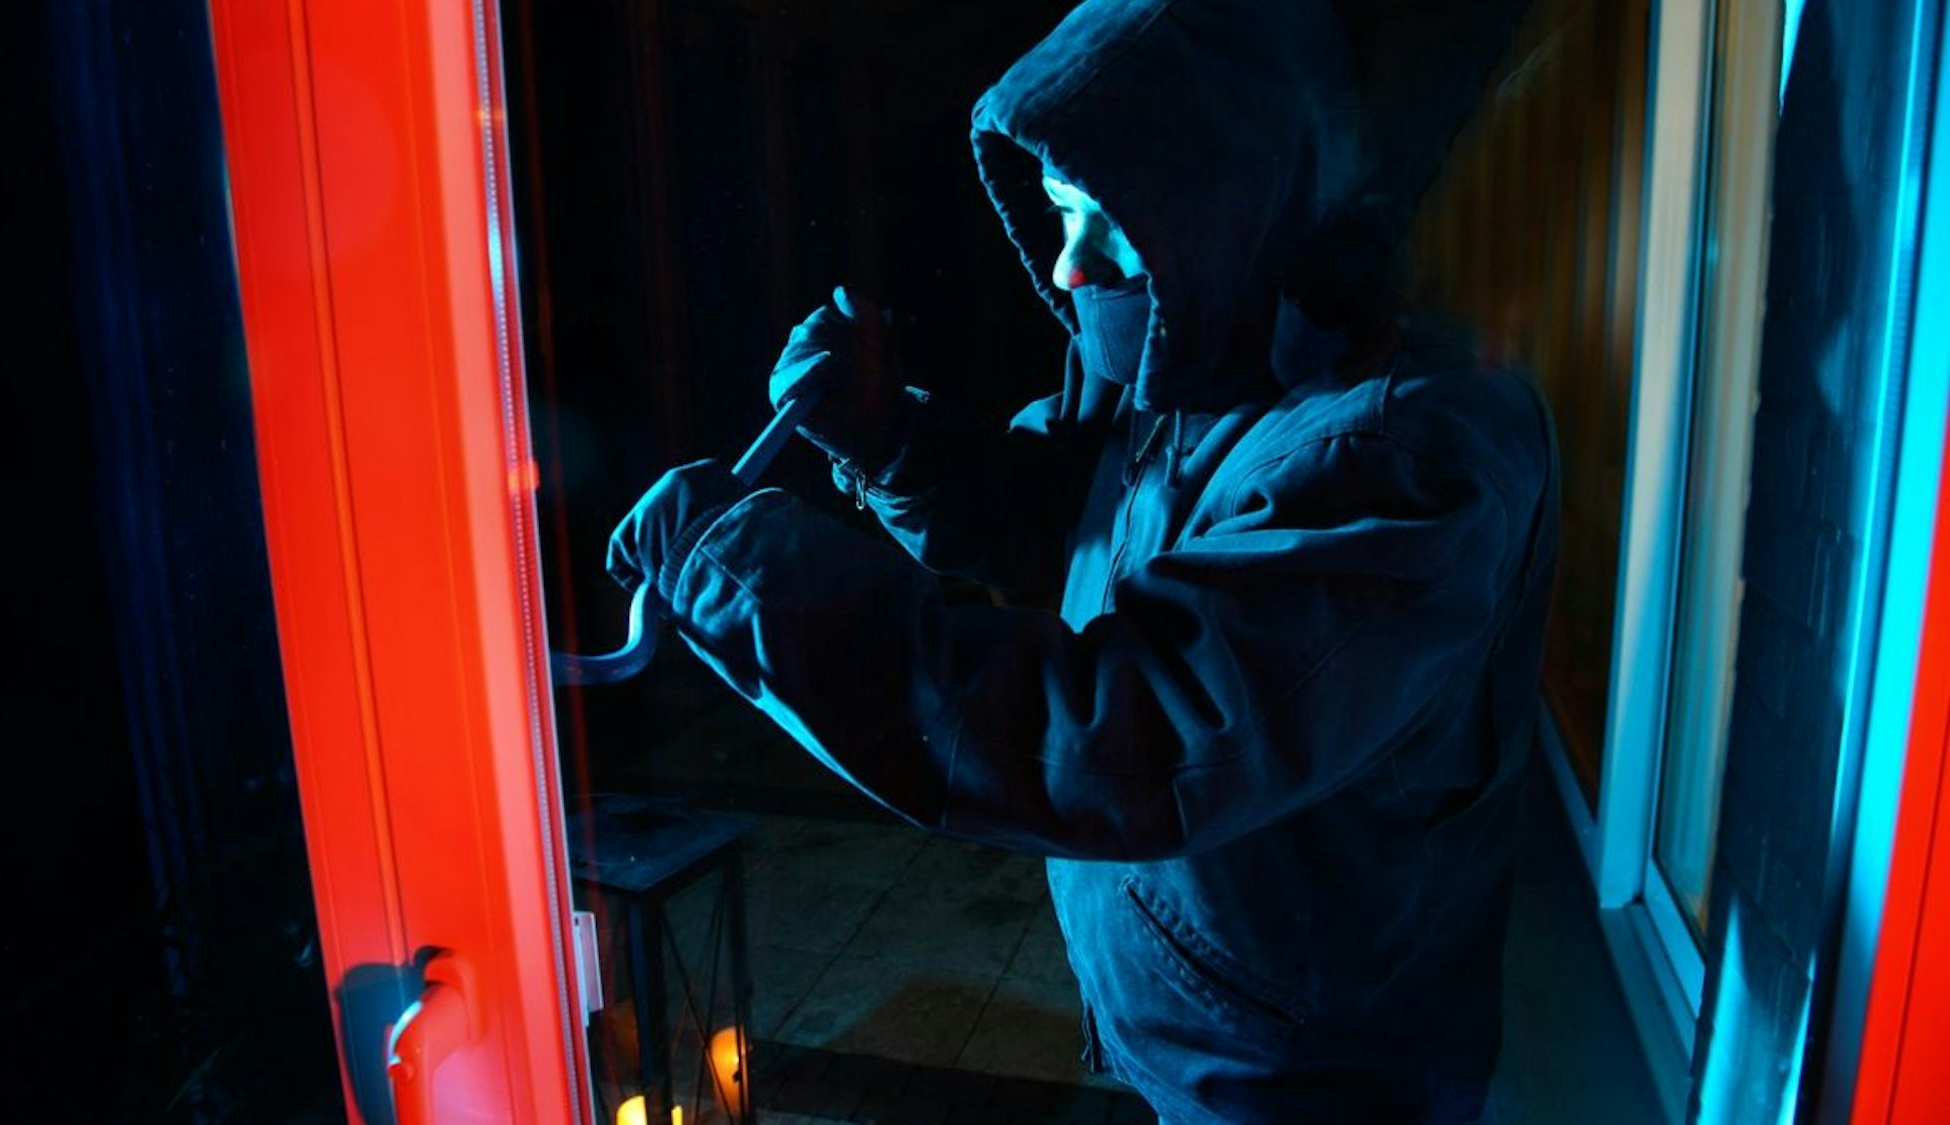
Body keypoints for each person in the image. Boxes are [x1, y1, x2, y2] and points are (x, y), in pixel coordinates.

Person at [607, 0, 1556, 1121]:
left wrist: (734, 565)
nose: (1065, 269)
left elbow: (1121, 735)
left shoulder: (1407, 455)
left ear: (1228, 199)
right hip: (1214, 1023)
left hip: (1307, 1083)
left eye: (1104, 225)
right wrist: (888, 439)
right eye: (1060, 216)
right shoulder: (1213, 347)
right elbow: (1063, 524)